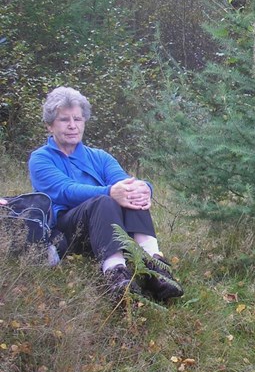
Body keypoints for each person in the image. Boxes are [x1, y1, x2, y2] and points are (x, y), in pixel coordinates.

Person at [28, 86, 183, 302]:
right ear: (50, 125)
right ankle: (115, 273)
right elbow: (64, 190)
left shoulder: (99, 156)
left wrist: (145, 187)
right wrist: (109, 191)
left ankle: (154, 267)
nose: (73, 126)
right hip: (69, 229)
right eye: (64, 120)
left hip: (107, 229)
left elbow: (123, 181)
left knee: (131, 193)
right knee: (104, 200)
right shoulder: (40, 158)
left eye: (78, 119)